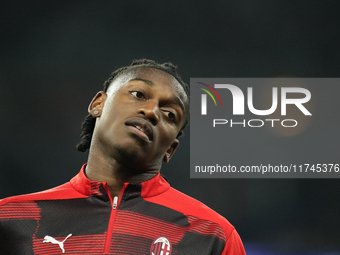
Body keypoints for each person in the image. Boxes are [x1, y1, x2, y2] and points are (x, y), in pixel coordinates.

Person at [0, 59, 246, 254]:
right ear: (98, 104)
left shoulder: (213, 235)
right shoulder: (12, 219)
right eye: (138, 94)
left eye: (169, 113)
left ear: (171, 149)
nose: (151, 112)